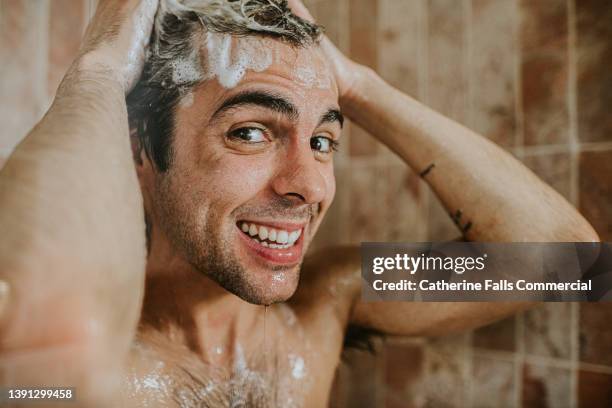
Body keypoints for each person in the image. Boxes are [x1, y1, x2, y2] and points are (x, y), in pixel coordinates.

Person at [0, 0, 598, 406]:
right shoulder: (83, 361)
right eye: (251, 132)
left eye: (322, 141)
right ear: (140, 147)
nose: (309, 186)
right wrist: (99, 73)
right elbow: (44, 343)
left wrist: (358, 84)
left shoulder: (324, 304)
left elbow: (568, 263)